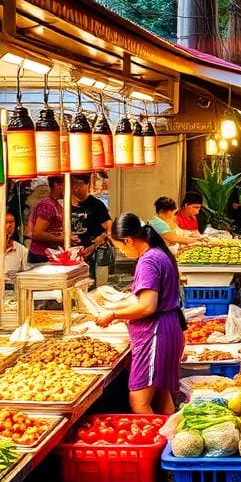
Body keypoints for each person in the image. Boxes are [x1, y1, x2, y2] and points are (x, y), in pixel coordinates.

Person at [96, 214, 185, 414]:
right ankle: (168, 443)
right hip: (168, 328)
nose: (122, 251)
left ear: (128, 240)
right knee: (162, 398)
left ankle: (155, 442)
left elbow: (147, 307)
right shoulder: (159, 253)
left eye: (120, 247)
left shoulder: (148, 261)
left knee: (139, 401)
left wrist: (113, 315)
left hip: (156, 333)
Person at [27, 176, 73, 264]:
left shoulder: (56, 205)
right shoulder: (47, 205)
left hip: (51, 254)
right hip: (41, 256)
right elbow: (38, 233)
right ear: (57, 185)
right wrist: (63, 240)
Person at [70, 174, 112, 262]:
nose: (75, 187)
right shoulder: (66, 204)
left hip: (92, 253)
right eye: (73, 183)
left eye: (79, 183)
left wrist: (96, 244)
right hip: (71, 252)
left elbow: (109, 228)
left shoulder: (96, 204)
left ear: (87, 184)